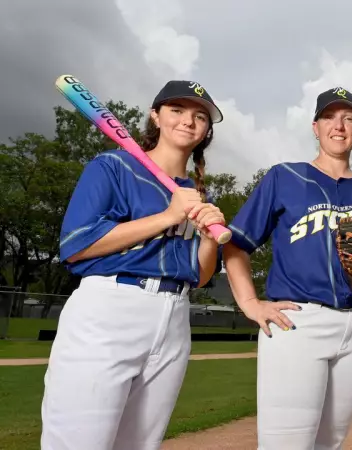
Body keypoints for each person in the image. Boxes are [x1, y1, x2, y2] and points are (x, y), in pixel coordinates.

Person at [41, 80, 227, 450]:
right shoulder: (112, 166)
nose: (188, 121)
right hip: (110, 310)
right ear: (155, 116)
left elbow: (199, 275)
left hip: (174, 317)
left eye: (200, 116)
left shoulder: (193, 192)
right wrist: (166, 216)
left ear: (206, 131)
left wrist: (207, 238)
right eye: (176, 110)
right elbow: (76, 245)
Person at [222, 86, 352, 449]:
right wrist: (250, 303)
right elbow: (236, 245)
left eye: (349, 118)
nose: (339, 125)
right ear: (315, 127)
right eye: (330, 117)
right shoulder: (284, 177)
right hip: (299, 322)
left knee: (329, 443)